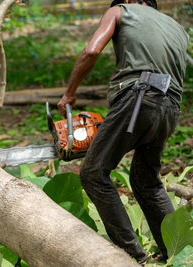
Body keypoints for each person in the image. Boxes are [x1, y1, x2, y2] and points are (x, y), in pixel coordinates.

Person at [57, 0, 188, 264]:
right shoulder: (176, 27)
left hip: (139, 98)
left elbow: (91, 51)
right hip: (170, 108)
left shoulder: (120, 11)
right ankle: (178, 255)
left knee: (93, 172)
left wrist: (69, 93)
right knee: (146, 181)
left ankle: (133, 256)